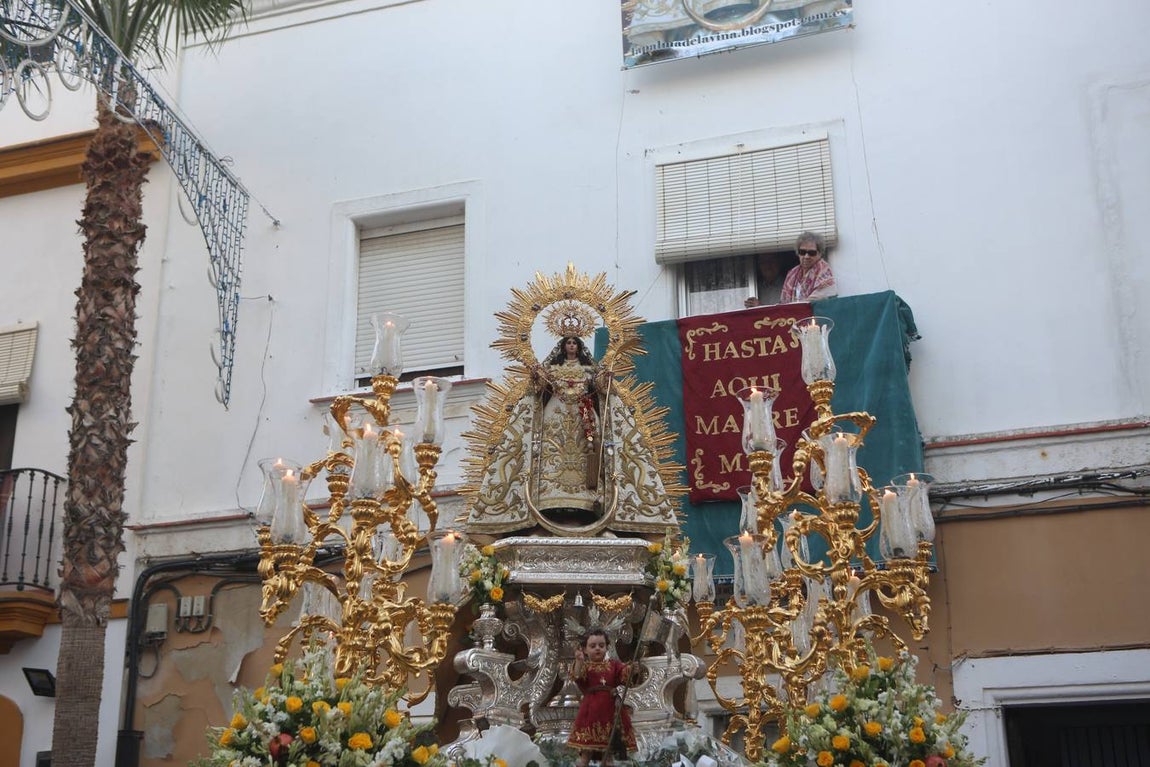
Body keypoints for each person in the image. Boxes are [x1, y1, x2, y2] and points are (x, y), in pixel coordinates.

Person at [529, 336, 610, 524]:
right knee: (551, 448)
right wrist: (536, 375)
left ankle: (589, 498)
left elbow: (600, 389)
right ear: (563, 346)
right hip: (556, 413)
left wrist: (605, 377)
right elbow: (539, 387)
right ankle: (549, 496)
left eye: (575, 343)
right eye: (569, 342)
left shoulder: (589, 369)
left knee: (588, 449)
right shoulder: (552, 369)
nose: (571, 345)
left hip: (584, 414)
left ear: (579, 347)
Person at [567, 628, 636, 767]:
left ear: (607, 647)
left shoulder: (613, 665)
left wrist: (632, 668)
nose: (597, 649)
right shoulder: (586, 666)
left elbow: (624, 673)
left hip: (610, 708)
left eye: (601, 645)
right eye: (593, 646)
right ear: (585, 650)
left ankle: (608, 761)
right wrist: (579, 661)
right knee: (586, 748)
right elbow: (577, 675)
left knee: (608, 745)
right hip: (590, 709)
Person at [780, 231, 838, 303]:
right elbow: (783, 302)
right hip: (792, 313)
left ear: (819, 254)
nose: (806, 256)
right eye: (802, 252)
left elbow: (818, 300)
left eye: (811, 253)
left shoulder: (824, 272)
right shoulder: (792, 273)